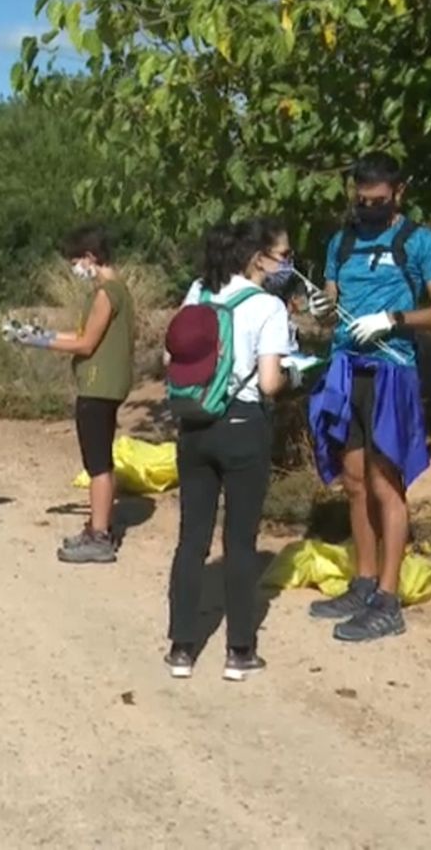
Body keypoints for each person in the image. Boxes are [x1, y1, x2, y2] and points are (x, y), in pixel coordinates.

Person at [304, 151, 431, 642]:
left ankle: (389, 600)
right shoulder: (341, 241)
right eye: (361, 200)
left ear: (399, 193)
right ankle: (363, 581)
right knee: (352, 481)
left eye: (378, 201)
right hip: (346, 368)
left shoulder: (420, 242)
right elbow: (329, 304)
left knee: (385, 482)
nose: (368, 208)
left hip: (392, 371)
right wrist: (321, 307)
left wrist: (394, 320)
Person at [163, 219, 300, 680]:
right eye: (282, 256)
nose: (286, 265)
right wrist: (295, 374)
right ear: (257, 257)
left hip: (195, 423)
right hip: (243, 425)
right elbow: (268, 383)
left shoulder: (198, 292)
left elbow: (172, 358)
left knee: (191, 538)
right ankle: (239, 651)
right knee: (240, 542)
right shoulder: (268, 307)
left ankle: (181, 648)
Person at [7, 225, 135, 564]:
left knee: (97, 463)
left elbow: (86, 343)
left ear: (91, 257)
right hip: (106, 385)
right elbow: (82, 335)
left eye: (76, 260)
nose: (74, 267)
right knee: (98, 459)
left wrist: (39, 341)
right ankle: (97, 526)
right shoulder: (117, 290)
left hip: (98, 387)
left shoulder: (107, 293)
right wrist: (41, 333)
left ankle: (101, 536)